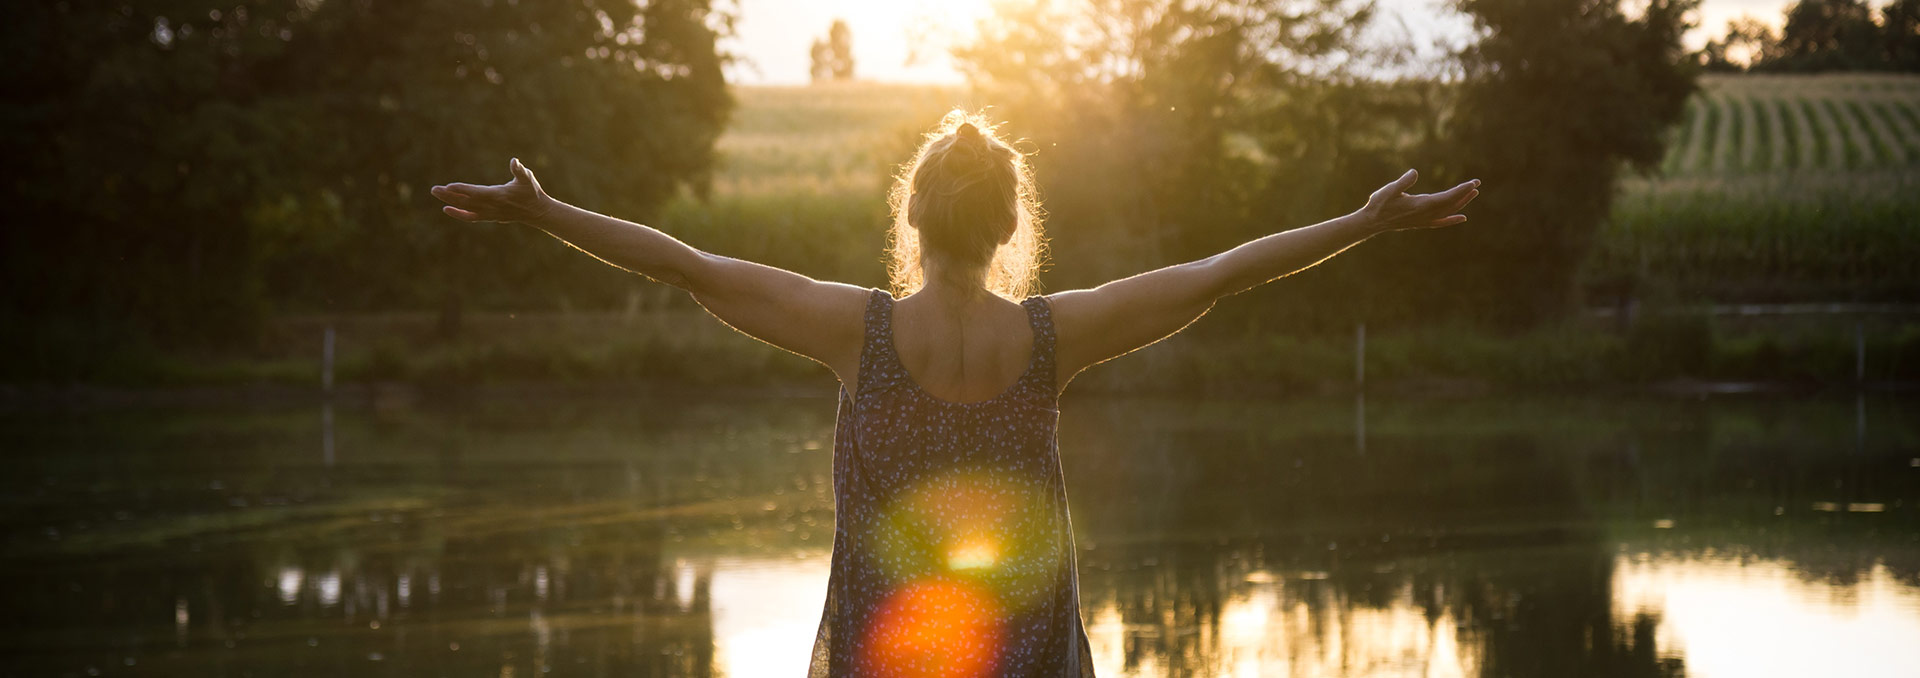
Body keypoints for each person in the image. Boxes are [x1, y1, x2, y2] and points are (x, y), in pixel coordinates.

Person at [431, 111, 1478, 677]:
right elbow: (1219, 275)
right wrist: (1363, 222)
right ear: (1010, 224)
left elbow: (690, 266)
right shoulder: (1052, 335)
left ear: (916, 219)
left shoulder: (860, 329)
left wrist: (545, 213)